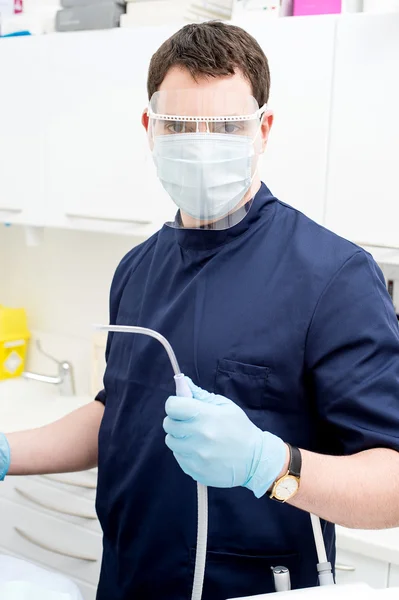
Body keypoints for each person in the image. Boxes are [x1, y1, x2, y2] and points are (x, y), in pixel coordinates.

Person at [1, 20, 399, 600]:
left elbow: (390, 485)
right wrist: (11, 450)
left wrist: (271, 465)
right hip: (127, 581)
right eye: (182, 125)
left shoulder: (334, 278)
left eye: (227, 126)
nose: (203, 142)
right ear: (150, 129)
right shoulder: (137, 267)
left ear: (263, 129)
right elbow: (119, 411)